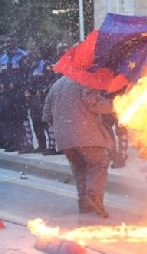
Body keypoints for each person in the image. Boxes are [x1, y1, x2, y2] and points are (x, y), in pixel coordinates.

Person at [43, 76, 116, 218]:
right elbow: (94, 103)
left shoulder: (57, 84)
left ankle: (84, 203)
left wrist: (61, 127)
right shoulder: (84, 80)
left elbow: (46, 113)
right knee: (98, 164)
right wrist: (116, 105)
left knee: (80, 169)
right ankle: (94, 197)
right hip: (87, 135)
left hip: (65, 139)